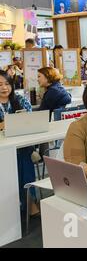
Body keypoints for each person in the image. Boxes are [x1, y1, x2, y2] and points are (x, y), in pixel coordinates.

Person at [0, 70, 35, 211]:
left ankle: (28, 201)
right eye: (0, 84)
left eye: (7, 84)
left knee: (24, 157)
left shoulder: (20, 100)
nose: (4, 87)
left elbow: (30, 121)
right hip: (2, 149)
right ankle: (13, 205)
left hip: (20, 145)